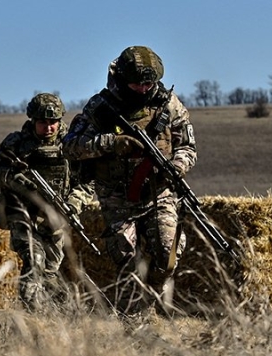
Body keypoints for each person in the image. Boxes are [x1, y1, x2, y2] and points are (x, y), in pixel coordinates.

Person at [62, 45, 197, 313]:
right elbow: (70, 146)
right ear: (124, 79)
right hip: (117, 196)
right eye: (137, 84)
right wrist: (111, 143)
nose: (144, 89)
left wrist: (177, 166)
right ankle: (132, 320)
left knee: (167, 254)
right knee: (126, 259)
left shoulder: (169, 105)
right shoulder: (101, 107)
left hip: (159, 192)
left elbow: (187, 147)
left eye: (149, 83)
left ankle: (154, 300)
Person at [0, 93, 92, 309]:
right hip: (21, 214)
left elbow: (88, 184)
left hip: (55, 218)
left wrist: (73, 204)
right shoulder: (17, 143)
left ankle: (61, 314)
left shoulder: (72, 145)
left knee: (50, 275)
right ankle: (32, 318)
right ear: (33, 121)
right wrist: (15, 180)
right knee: (34, 262)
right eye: (43, 122)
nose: (48, 127)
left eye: (53, 122)